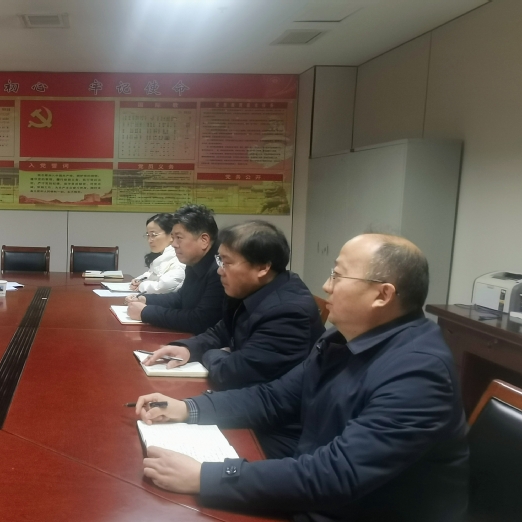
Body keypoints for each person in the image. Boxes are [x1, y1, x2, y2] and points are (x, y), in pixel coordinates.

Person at [135, 234, 469, 522]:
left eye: (338, 276)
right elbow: (274, 397)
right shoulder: (342, 339)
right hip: (319, 495)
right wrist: (187, 408)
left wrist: (205, 477)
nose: (326, 286)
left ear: (382, 295)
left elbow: (337, 475)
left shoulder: (417, 372)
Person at [143, 221, 325, 458]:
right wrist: (188, 348)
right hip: (247, 403)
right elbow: (221, 331)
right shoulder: (253, 289)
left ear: (263, 267)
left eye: (227, 262)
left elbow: (233, 375)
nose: (219, 270)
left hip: (277, 428)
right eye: (219, 260)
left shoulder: (288, 311)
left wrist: (213, 354)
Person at [126, 204, 224, 334]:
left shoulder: (220, 269)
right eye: (173, 237)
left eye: (179, 238)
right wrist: (145, 299)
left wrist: (146, 312)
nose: (173, 244)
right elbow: (181, 298)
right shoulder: (194, 261)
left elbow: (200, 320)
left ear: (204, 240)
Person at [129, 213, 185, 294]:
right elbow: (151, 274)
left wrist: (141, 285)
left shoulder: (179, 259)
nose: (149, 240)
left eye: (153, 235)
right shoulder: (162, 256)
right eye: (148, 235)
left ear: (171, 235)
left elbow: (163, 287)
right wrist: (139, 280)